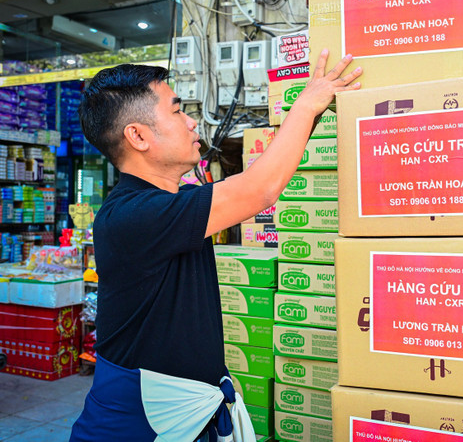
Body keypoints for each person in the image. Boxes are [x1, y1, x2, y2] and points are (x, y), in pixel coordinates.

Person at [70, 50, 362, 442]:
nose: (192, 122)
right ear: (137, 136)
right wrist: (306, 104)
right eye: (176, 111)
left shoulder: (173, 202)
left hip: (184, 410)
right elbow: (260, 189)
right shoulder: (133, 216)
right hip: (139, 424)